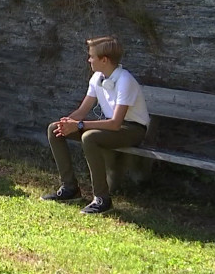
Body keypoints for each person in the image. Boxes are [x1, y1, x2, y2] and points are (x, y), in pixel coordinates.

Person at [41, 36, 150, 214]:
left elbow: (115, 123)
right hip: (113, 128)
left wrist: (80, 125)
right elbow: (82, 110)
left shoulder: (125, 81)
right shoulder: (97, 78)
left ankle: (102, 199)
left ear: (104, 60)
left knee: (89, 137)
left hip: (132, 129)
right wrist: (66, 123)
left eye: (92, 56)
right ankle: (70, 189)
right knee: (54, 129)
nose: (88, 60)